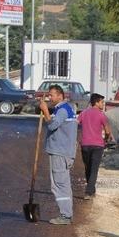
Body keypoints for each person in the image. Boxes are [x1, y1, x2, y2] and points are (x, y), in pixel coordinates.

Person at [39, 84, 78, 225]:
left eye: (52, 95)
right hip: (63, 152)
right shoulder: (65, 109)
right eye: (49, 95)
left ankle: (65, 216)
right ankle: (66, 214)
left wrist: (45, 111)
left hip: (60, 152)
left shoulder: (62, 110)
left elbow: (52, 125)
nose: (49, 97)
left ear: (60, 96)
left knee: (59, 185)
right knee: (62, 184)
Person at [77, 93, 112, 200]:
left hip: (85, 145)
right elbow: (107, 131)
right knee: (94, 169)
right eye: (102, 102)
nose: (103, 104)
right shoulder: (101, 115)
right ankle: (89, 192)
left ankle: (91, 190)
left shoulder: (83, 113)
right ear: (96, 103)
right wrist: (106, 139)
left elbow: (75, 124)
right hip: (97, 145)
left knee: (88, 168)